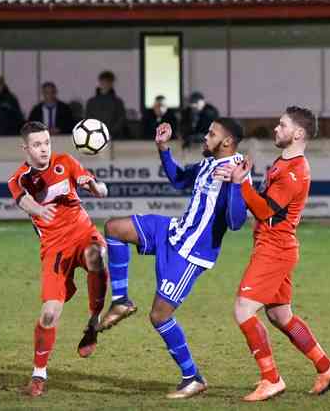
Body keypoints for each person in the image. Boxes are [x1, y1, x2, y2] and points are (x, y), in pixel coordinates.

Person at [98, 118, 248, 399]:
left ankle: (193, 377)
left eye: (212, 134)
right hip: (173, 232)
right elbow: (179, 179)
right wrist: (162, 147)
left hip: (191, 253)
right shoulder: (208, 163)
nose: (206, 137)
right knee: (114, 228)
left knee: (159, 315)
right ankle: (121, 301)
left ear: (227, 142)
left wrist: (236, 186)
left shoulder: (235, 171)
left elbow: (236, 221)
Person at [215, 106, 330, 401]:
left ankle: (271, 379)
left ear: (298, 133)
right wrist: (241, 179)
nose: (276, 128)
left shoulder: (295, 171)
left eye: (282, 125)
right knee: (280, 315)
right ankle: (326, 367)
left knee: (243, 310)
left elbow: (264, 210)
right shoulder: (283, 163)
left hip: (274, 249)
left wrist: (240, 183)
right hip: (274, 246)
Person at [8, 121, 110, 398]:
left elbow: (89, 182)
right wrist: (39, 209)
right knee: (50, 314)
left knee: (96, 256)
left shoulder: (65, 162)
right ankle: (38, 376)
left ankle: (93, 322)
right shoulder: (19, 178)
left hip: (82, 232)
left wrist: (97, 187)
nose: (43, 149)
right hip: (53, 249)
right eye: (37, 144)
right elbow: (23, 201)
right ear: (26, 148)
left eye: (46, 143)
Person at [85, 70, 126, 138]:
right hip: (94, 136)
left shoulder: (117, 102)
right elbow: (88, 119)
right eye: (103, 81)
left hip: (113, 137)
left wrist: (110, 132)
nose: (105, 84)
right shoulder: (91, 102)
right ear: (99, 82)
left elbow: (121, 120)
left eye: (108, 82)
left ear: (112, 84)